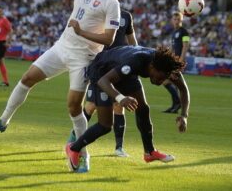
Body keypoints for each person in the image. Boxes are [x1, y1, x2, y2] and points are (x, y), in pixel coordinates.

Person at [0, 0, 124, 173]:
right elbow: (77, 16)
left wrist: (81, 32)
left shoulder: (112, 4)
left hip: (83, 57)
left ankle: (83, 154)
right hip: (61, 47)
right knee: (27, 78)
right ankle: (2, 121)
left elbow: (109, 39)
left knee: (74, 107)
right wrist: (73, 32)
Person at [65, 45, 190, 173]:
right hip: (101, 71)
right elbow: (104, 81)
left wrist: (184, 115)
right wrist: (121, 98)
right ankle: (74, 148)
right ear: (152, 67)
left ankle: (150, 152)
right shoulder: (135, 61)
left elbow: (183, 89)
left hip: (125, 73)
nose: (161, 81)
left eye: (164, 78)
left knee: (143, 108)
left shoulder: (168, 66)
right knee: (105, 125)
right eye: (160, 77)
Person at [67, 0, 137, 158]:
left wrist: (136, 57)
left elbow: (133, 42)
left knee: (118, 107)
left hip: (118, 68)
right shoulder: (99, 13)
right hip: (101, 66)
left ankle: (119, 148)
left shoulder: (127, 17)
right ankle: (72, 140)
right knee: (90, 106)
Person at [163, 12, 190, 113]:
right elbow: (173, 47)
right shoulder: (174, 32)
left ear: (181, 20)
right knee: (171, 82)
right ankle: (175, 105)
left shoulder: (184, 32)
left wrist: (181, 60)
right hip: (174, 61)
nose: (176, 21)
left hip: (179, 61)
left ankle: (177, 103)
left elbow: (185, 46)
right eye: (174, 19)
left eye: (178, 19)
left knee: (167, 81)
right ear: (172, 20)